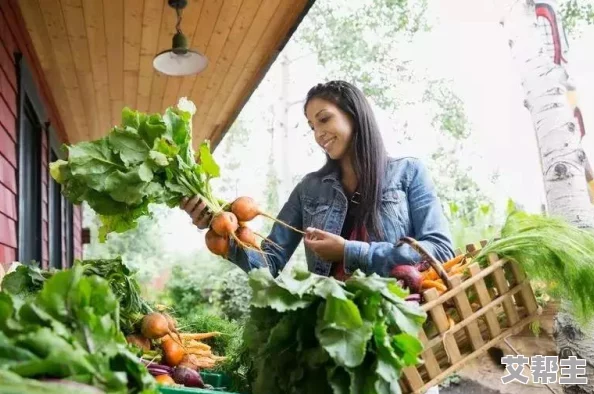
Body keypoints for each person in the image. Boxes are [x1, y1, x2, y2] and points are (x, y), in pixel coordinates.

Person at [181, 80, 455, 280]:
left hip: (404, 322)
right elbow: (270, 263)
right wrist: (225, 236)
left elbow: (440, 251)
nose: (318, 133)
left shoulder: (409, 172)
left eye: (324, 119)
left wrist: (350, 252)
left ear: (355, 115)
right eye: (312, 126)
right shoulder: (308, 191)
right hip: (334, 331)